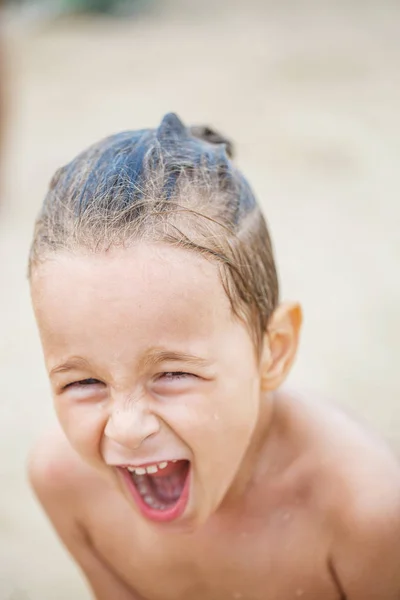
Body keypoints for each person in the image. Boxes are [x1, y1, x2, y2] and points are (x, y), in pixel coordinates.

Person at [28, 113, 400, 600]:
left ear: (274, 350)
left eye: (173, 373)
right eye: (83, 383)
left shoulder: (365, 514)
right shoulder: (64, 484)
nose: (125, 428)